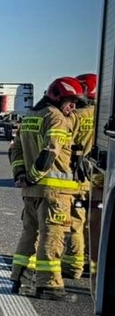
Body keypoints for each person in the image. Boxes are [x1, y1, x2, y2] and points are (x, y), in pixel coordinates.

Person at [9, 76, 86, 301]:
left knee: (29, 234)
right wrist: (33, 176)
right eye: (70, 102)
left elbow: (15, 151)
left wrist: (21, 175)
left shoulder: (31, 117)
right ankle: (49, 285)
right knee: (52, 237)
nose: (73, 107)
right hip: (54, 193)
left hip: (32, 192)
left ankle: (20, 280)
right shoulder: (56, 118)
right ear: (57, 98)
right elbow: (50, 152)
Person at [62, 73, 97, 279]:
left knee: (76, 221)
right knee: (93, 223)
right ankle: (91, 264)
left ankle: (74, 265)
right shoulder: (103, 115)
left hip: (76, 177)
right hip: (98, 178)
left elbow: (62, 142)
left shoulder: (76, 116)